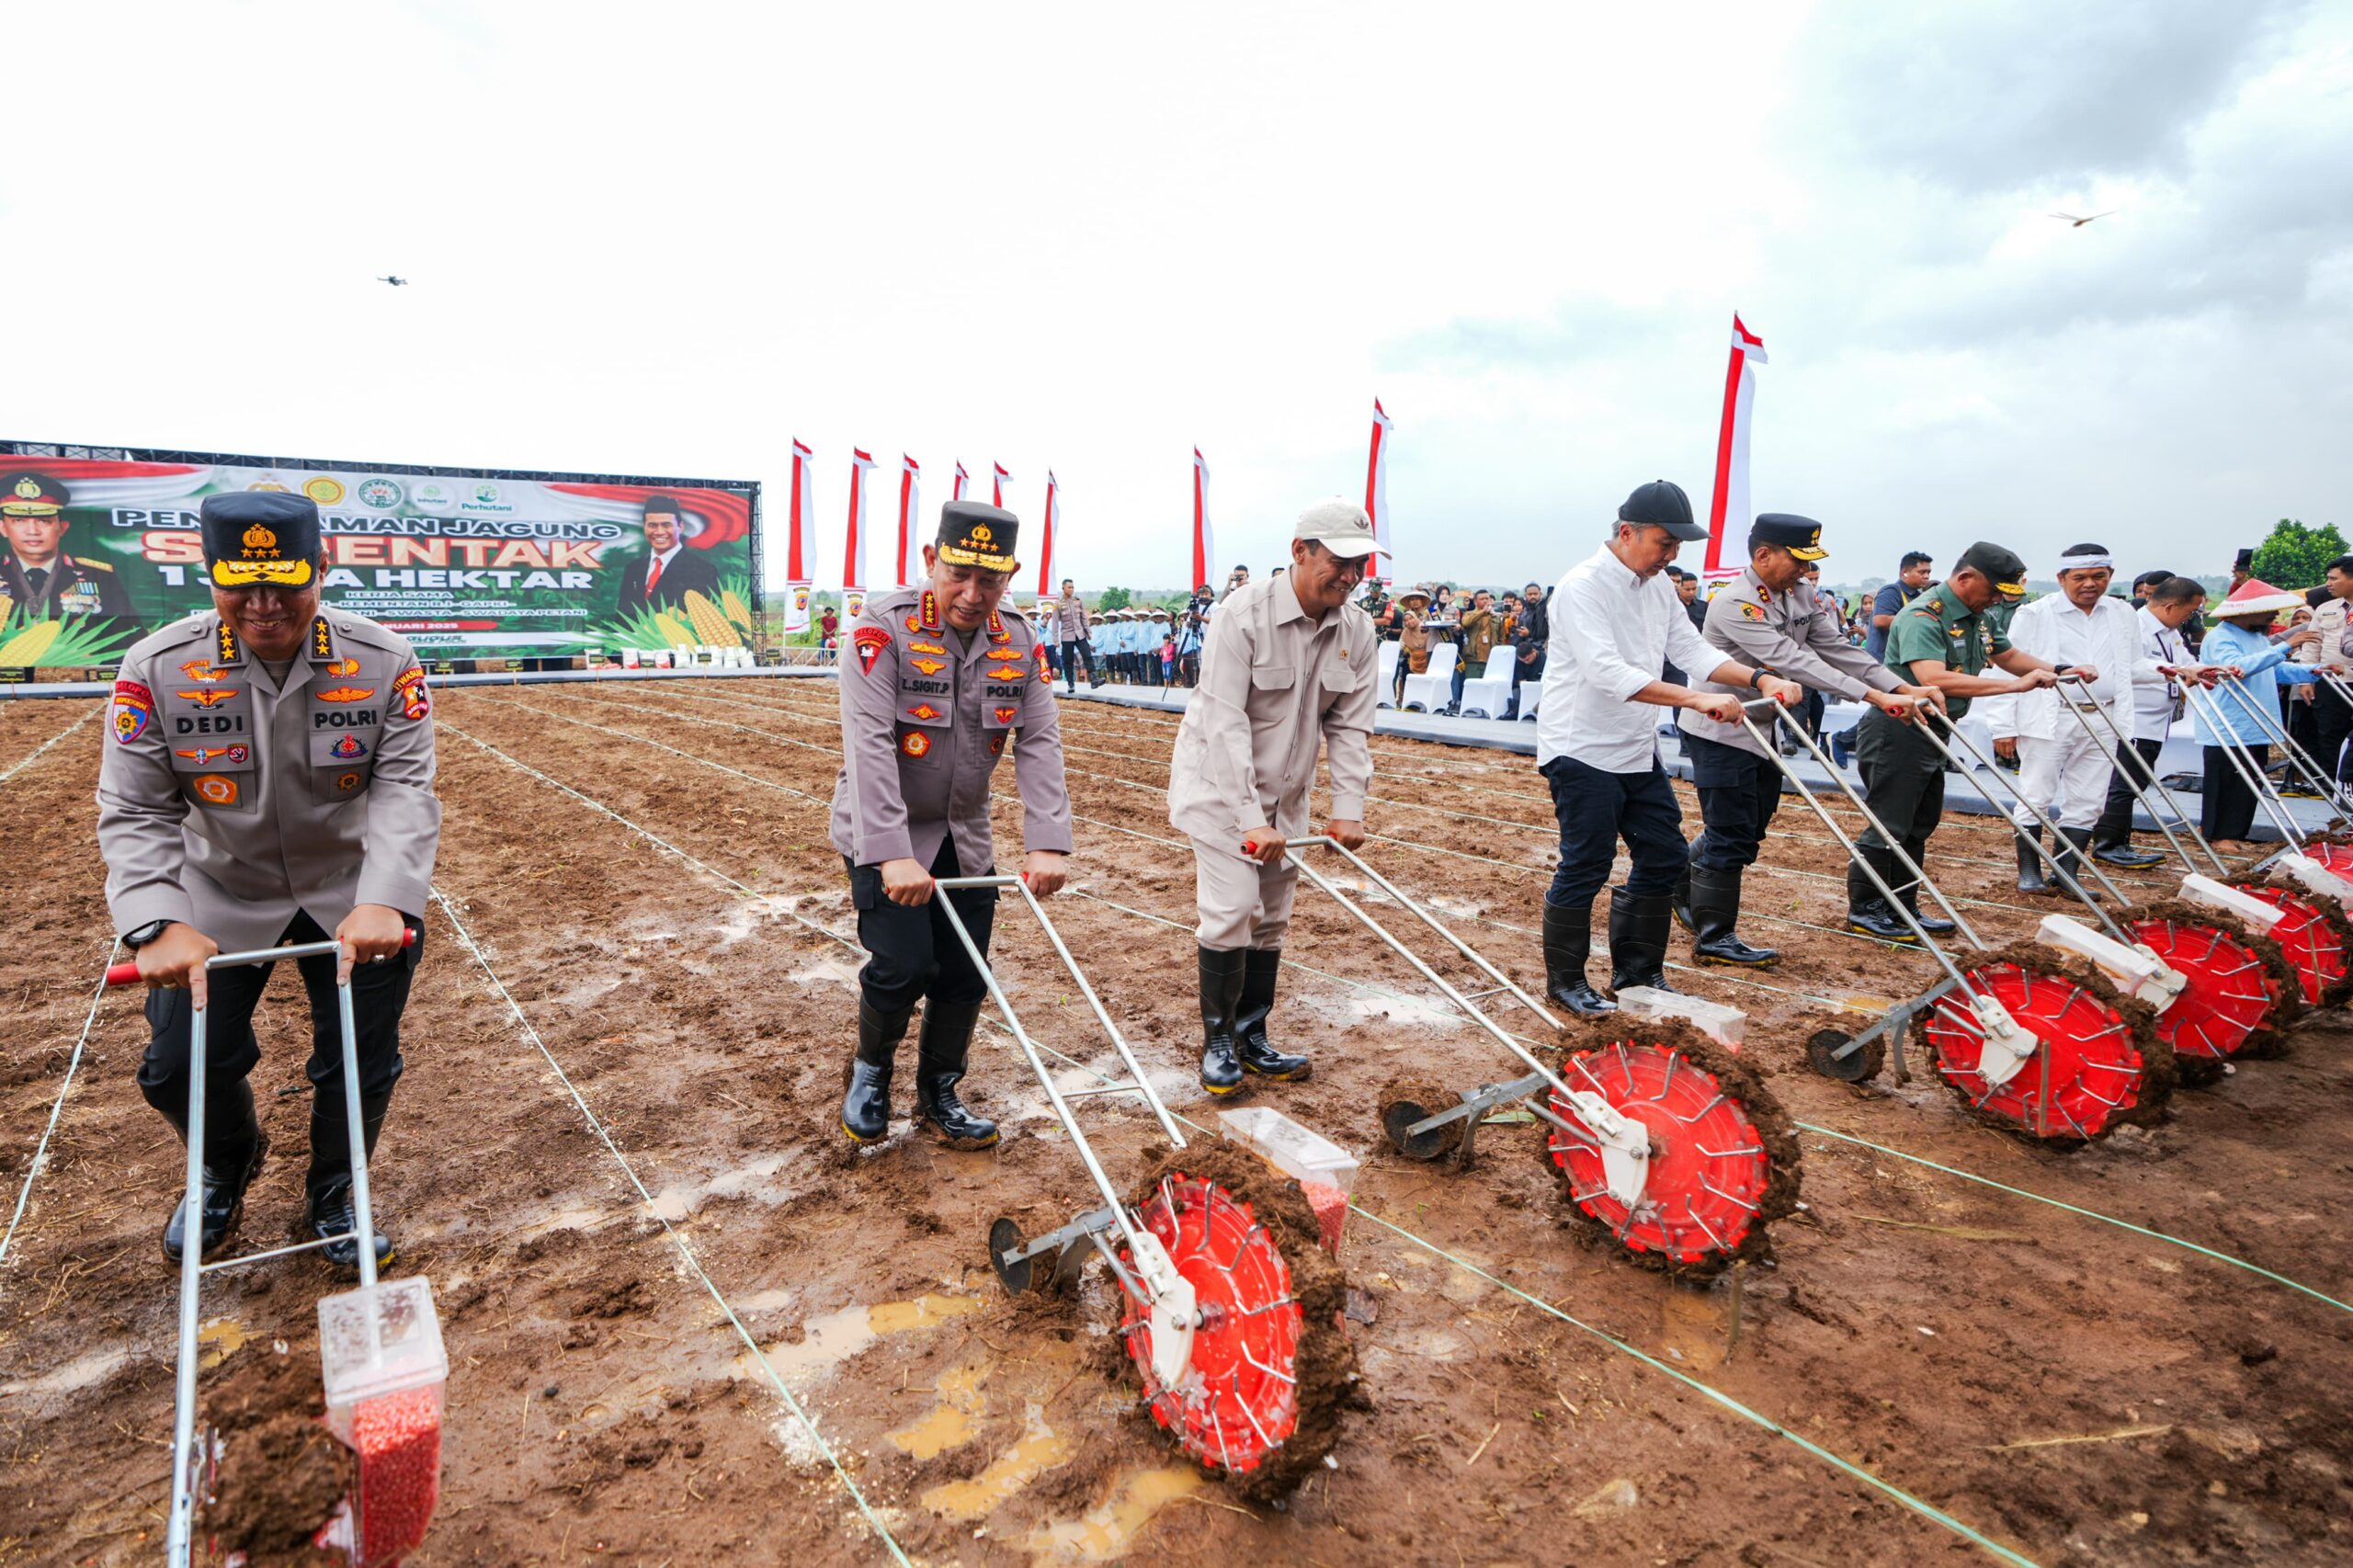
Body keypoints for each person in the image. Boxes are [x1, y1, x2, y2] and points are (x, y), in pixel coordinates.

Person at [99, 493, 437, 1271]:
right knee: (179, 1068)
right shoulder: (158, 669)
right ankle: (224, 1162)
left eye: (285, 580)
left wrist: (386, 898)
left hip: (354, 891)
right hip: (219, 889)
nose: (262, 603)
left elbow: (403, 791)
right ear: (206, 575)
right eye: (237, 582)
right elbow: (134, 804)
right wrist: (157, 919)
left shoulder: (384, 662)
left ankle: (335, 1190)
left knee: (360, 1061)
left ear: (323, 566)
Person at [831, 501, 1072, 1148]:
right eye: (959, 574)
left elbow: (1040, 739)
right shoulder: (883, 629)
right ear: (930, 559)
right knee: (903, 964)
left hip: (964, 834)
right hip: (887, 832)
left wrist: (1048, 839)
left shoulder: (1017, 640)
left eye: (989, 581)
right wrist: (889, 854)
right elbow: (870, 743)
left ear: (1010, 575)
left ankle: (940, 1090)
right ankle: (871, 1073)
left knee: (967, 972)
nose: (972, 594)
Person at [1535, 482, 1802, 1014]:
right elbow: (1608, 672)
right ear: (1627, 532)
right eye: (1665, 543)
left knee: (1665, 854)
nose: (1672, 556)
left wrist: (1759, 679)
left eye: (1679, 546)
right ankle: (1566, 983)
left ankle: (1639, 975)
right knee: (1586, 864)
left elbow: (1691, 648)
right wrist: (1696, 699)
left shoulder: (1657, 586)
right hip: (1580, 747)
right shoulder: (1582, 587)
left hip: (1635, 748)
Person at [1167, 499, 1381, 1092]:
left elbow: (1349, 726)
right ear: (1300, 551)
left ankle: (1252, 1034)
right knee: (1235, 909)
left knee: (1272, 920)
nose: (1350, 576)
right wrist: (1249, 819)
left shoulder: (1357, 630)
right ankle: (1217, 1041)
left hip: (1288, 801)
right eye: (1339, 561)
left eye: (1360, 564)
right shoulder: (1242, 615)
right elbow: (1225, 722)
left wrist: (1348, 809)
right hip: (1221, 791)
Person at [1675, 515, 1934, 966]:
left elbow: (1837, 648)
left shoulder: (1799, 593)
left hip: (1765, 728)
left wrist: (1896, 686)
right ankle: (1715, 936)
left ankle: (1680, 876)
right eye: (1799, 561)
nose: (1804, 571)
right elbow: (1791, 660)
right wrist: (1872, 696)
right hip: (1722, 728)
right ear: (1763, 555)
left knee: (1750, 829)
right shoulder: (1737, 603)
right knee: (1730, 832)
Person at [1846, 543, 2071, 942]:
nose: (1997, 600)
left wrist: (2057, 669)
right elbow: (1934, 678)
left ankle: (1902, 906)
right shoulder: (1922, 615)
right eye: (1993, 591)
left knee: (1919, 825)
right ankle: (1867, 909)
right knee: (1890, 824)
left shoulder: (1978, 615)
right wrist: (2015, 687)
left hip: (1935, 729)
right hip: (1898, 730)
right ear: (1966, 578)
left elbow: (2008, 654)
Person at [1997, 543, 2161, 892]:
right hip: (2049, 716)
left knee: (2089, 800)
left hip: (2102, 717)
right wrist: (2003, 726)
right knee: (2036, 794)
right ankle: (2029, 872)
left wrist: (2173, 670)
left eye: (2098, 576)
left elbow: (2131, 665)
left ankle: (2066, 872)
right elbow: (2007, 670)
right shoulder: (2035, 614)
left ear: (2110, 576)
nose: (2090, 584)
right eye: (2080, 577)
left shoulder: (2121, 613)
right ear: (2061, 578)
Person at [2091, 575, 2218, 861]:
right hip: (2134, 719)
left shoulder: (2168, 632)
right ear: (2172, 606)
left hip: (2155, 722)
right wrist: (2173, 670)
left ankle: (2119, 842)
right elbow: (2124, 670)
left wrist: (2207, 670)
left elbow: (2186, 661)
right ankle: (2109, 845)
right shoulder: (2135, 628)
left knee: (2135, 783)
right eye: (2191, 612)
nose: (2192, 618)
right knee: (2124, 784)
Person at [2193, 578, 2320, 845]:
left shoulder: (2258, 638)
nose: (2273, 616)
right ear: (2246, 612)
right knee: (2225, 781)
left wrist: (2314, 671)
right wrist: (2286, 645)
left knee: (2249, 783)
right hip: (2229, 721)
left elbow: (2275, 669)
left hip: (2256, 722)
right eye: (2267, 611)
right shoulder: (2220, 637)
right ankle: (2217, 834)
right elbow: (2236, 668)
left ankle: (2235, 832)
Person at [0, 471, 133, 627]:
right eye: (19, 521)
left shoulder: (99, 575)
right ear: (2, 528)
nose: (32, 531)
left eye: (44, 521)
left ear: (62, 528)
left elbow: (128, 635)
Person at [2291, 555, 2353, 784]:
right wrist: (2306, 679)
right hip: (2331, 681)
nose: (2328, 583)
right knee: (2329, 733)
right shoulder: (2326, 609)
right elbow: (2311, 644)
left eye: (2333, 578)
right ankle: (2331, 786)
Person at [616, 494, 720, 612]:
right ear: (644, 527)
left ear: (680, 527)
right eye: (652, 525)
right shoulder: (633, 568)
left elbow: (711, 617)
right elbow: (622, 616)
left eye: (666, 525)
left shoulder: (702, 569)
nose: (659, 532)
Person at [1868, 552, 1935, 661]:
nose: (1927, 576)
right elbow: (1881, 620)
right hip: (1882, 661)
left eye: (1928, 572)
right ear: (1905, 573)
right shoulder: (1892, 591)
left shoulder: (1917, 596)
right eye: (1922, 572)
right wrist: (1921, 619)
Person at [1451, 588, 1498, 714]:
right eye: (1482, 599)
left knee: (1488, 687)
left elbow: (1501, 637)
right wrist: (1483, 612)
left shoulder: (1495, 616)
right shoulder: (1469, 614)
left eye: (1487, 599)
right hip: (1472, 657)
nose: (1486, 601)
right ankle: (1472, 709)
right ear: (1476, 601)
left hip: (1490, 657)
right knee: (1472, 686)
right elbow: (1466, 623)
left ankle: (1487, 710)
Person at [1506, 580, 1547, 719]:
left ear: (1540, 594)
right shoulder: (1524, 612)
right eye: (1530, 594)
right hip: (1524, 651)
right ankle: (1516, 708)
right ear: (1525, 596)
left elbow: (1545, 632)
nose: (1533, 596)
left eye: (1535, 593)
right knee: (1517, 680)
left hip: (1540, 651)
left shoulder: (1544, 609)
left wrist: (1529, 634)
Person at [1051, 578, 1097, 691]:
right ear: (1063, 589)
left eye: (1073, 587)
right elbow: (1055, 623)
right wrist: (1055, 639)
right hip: (1067, 636)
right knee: (1068, 660)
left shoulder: (1078, 601)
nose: (1071, 589)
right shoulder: (1057, 604)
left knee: (1087, 655)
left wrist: (1088, 631)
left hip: (1080, 634)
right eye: (1069, 587)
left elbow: (1084, 618)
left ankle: (1094, 679)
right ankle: (1071, 683)